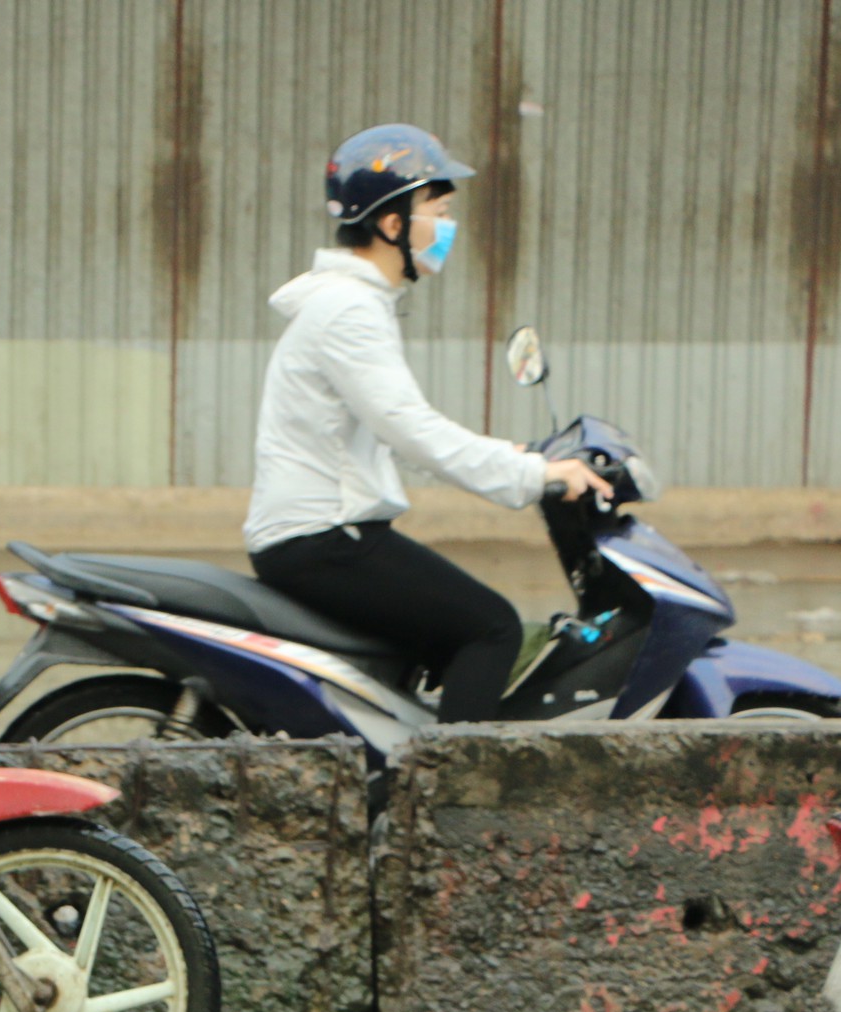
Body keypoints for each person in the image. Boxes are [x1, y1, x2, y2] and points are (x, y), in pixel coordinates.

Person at [242, 124, 610, 725]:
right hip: (323, 539)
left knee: (443, 630)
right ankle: (442, 801)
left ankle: (395, 771)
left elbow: (396, 427)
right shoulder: (350, 312)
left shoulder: (354, 304)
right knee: (492, 628)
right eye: (437, 212)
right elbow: (413, 430)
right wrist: (532, 473)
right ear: (392, 225)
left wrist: (516, 452)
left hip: (319, 534)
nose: (447, 229)